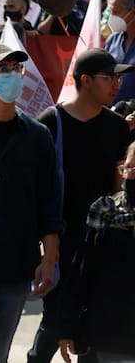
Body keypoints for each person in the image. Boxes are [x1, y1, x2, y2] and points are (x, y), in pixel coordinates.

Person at [27, 48, 131, 363]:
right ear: (86, 80)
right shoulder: (51, 122)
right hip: (61, 241)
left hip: (101, 241)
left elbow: (119, 186)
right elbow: (38, 188)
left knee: (93, 325)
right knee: (55, 320)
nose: (117, 85)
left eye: (118, 78)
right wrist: (47, 247)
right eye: (109, 78)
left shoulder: (116, 126)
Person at [0, 42, 63, 363]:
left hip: (16, 265)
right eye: (3, 70)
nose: (13, 76)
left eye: (16, 69)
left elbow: (49, 201)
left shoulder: (38, 136)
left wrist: (49, 258)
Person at [57, 142, 135, 363]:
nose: (132, 174)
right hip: (109, 331)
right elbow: (81, 269)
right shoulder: (105, 209)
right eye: (130, 167)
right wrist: (67, 326)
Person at [103, 0, 135, 103]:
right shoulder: (112, 39)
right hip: (112, 109)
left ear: (133, 11)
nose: (112, 17)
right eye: (111, 11)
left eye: (116, 12)